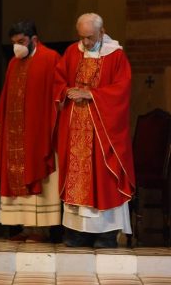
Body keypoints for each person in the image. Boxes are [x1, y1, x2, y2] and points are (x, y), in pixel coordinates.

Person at [54, 13, 136, 248]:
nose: (86, 43)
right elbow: (58, 79)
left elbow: (122, 89)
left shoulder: (116, 55)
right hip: (75, 128)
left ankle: (106, 233)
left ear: (102, 31)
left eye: (90, 37)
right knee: (76, 177)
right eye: (82, 37)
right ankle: (77, 232)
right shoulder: (72, 52)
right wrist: (65, 91)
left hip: (102, 130)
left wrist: (91, 94)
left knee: (104, 177)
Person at [0, 21, 61, 242]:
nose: (17, 47)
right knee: (17, 174)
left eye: (21, 42)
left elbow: (56, 95)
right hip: (16, 132)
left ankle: (41, 229)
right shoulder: (14, 63)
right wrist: (1, 125)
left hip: (38, 132)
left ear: (34, 39)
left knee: (38, 172)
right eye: (14, 43)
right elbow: (5, 95)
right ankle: (24, 226)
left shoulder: (50, 59)